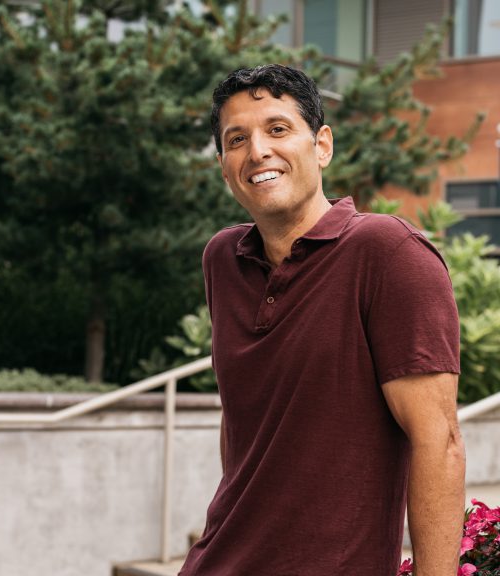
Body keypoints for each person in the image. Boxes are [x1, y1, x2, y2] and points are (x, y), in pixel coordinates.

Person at [178, 64, 465, 576]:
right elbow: (241, 417)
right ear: (224, 166)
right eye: (237, 139)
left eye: (278, 129)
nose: (258, 151)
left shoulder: (389, 252)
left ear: (322, 145)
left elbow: (437, 441)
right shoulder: (223, 258)